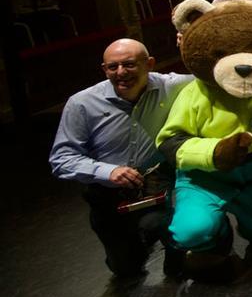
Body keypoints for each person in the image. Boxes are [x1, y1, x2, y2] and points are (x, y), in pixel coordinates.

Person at [49, 39, 192, 278]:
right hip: (108, 197)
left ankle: (169, 245)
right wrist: (108, 172)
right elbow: (61, 158)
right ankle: (138, 245)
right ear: (104, 69)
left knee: (170, 239)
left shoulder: (173, 85)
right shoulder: (82, 103)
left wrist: (188, 36)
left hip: (155, 189)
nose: (121, 73)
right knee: (126, 268)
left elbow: (214, 74)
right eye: (112, 67)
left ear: (149, 64)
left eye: (129, 65)